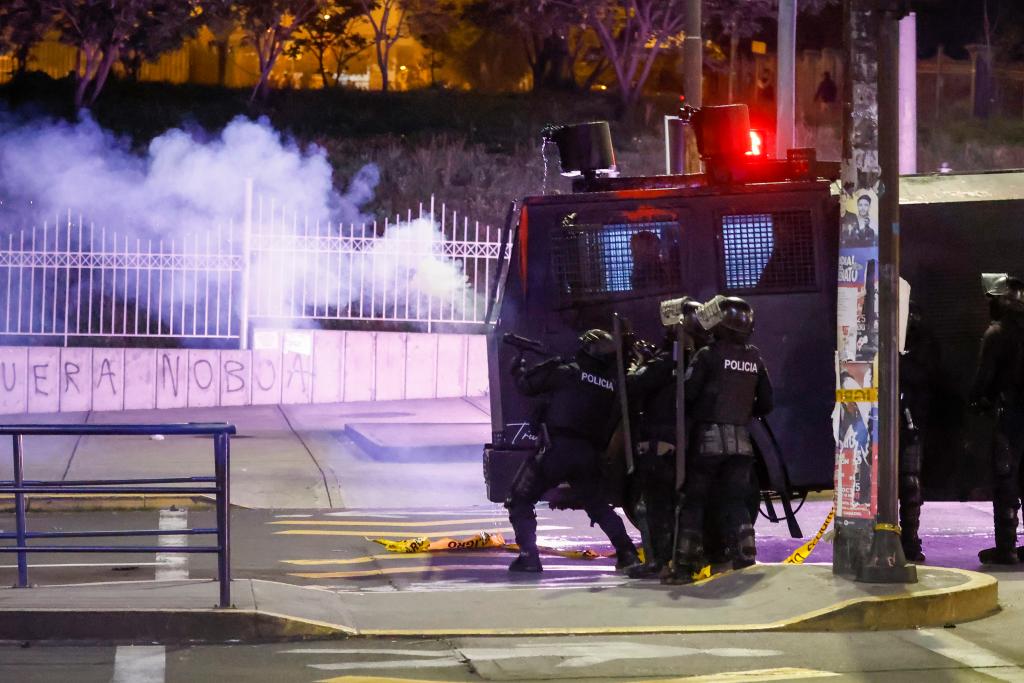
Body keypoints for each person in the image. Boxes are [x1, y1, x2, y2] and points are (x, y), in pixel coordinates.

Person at [506, 329, 642, 573]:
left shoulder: (568, 372)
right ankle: (628, 553)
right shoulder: (611, 385)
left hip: (557, 449)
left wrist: (518, 367)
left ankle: (528, 557)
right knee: (598, 506)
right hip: (589, 454)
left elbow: (528, 386)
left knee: (519, 498)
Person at [663, 297, 773, 584]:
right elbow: (767, 403)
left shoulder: (707, 355)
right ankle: (745, 557)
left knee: (693, 502)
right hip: (742, 441)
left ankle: (684, 567)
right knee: (735, 501)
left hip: (708, 440)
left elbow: (686, 396)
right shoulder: (755, 357)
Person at [626, 297, 711, 577]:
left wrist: (637, 365)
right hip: (691, 439)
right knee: (685, 505)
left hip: (660, 442)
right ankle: (688, 559)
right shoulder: (702, 357)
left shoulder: (667, 360)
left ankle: (659, 562)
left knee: (651, 506)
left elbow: (635, 386)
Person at [970, 275, 1024, 565]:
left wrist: (977, 400)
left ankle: (1007, 547)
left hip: (1009, 414)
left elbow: (984, 379)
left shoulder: (997, 333)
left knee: (1006, 481)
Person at [899, 302, 938, 562]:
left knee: (910, 484)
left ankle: (910, 541)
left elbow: (922, 380)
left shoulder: (921, 352)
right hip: (900, 422)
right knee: (906, 484)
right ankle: (906, 540)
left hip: (910, 422)